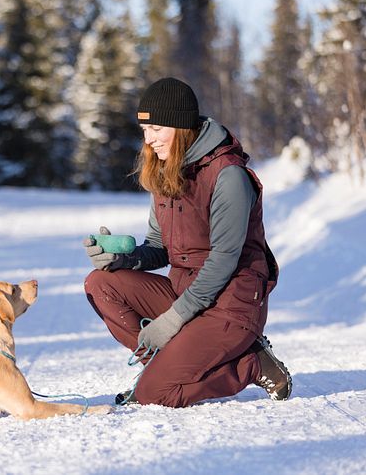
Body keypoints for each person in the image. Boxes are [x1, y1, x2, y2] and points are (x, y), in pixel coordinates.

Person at [83, 77, 292, 407]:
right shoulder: (166, 169)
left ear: (180, 127)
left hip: (231, 305)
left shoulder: (228, 176)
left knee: (155, 394)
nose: (149, 141)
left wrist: (172, 320)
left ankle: (249, 363)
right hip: (187, 295)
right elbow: (159, 246)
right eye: (145, 131)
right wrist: (122, 259)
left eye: (156, 129)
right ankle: (167, 366)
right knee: (101, 283)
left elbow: (224, 260)